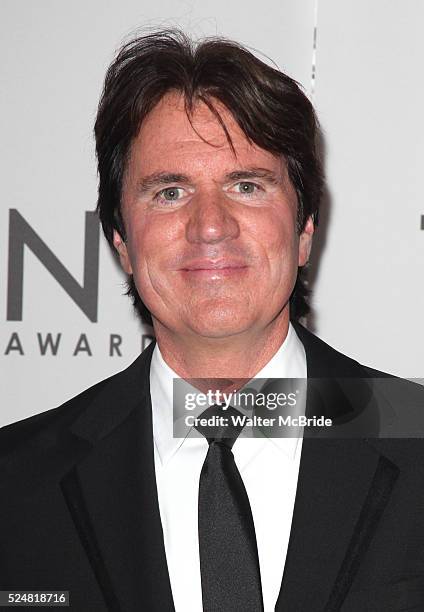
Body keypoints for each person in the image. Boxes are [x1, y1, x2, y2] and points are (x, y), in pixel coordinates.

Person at [1, 29, 424, 612]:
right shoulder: (17, 483)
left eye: (247, 186)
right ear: (121, 240)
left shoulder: (417, 436)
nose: (210, 226)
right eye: (170, 192)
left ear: (304, 231)